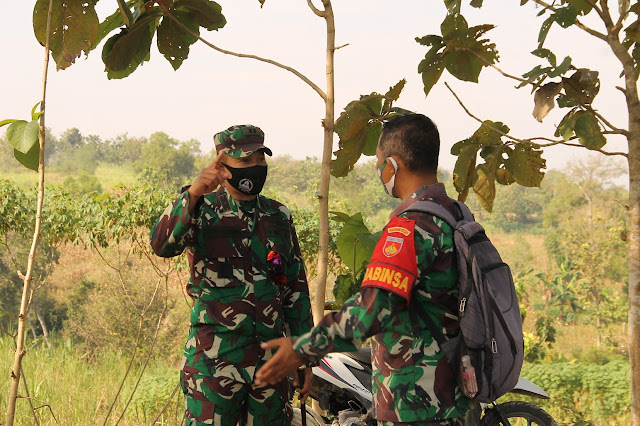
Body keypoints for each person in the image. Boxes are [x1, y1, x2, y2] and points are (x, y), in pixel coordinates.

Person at [255, 114, 470, 425]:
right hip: (451, 398)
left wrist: (301, 348)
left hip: (416, 402)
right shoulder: (454, 213)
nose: (378, 170)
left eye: (379, 161)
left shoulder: (409, 228)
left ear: (393, 165)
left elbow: (371, 311)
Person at [150, 124, 314, 426]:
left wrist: (303, 354)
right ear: (221, 166)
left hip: (271, 366)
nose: (256, 167)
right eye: (246, 161)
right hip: (215, 363)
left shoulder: (278, 216)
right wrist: (196, 192)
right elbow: (161, 244)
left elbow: (293, 287)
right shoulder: (200, 208)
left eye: (260, 160)